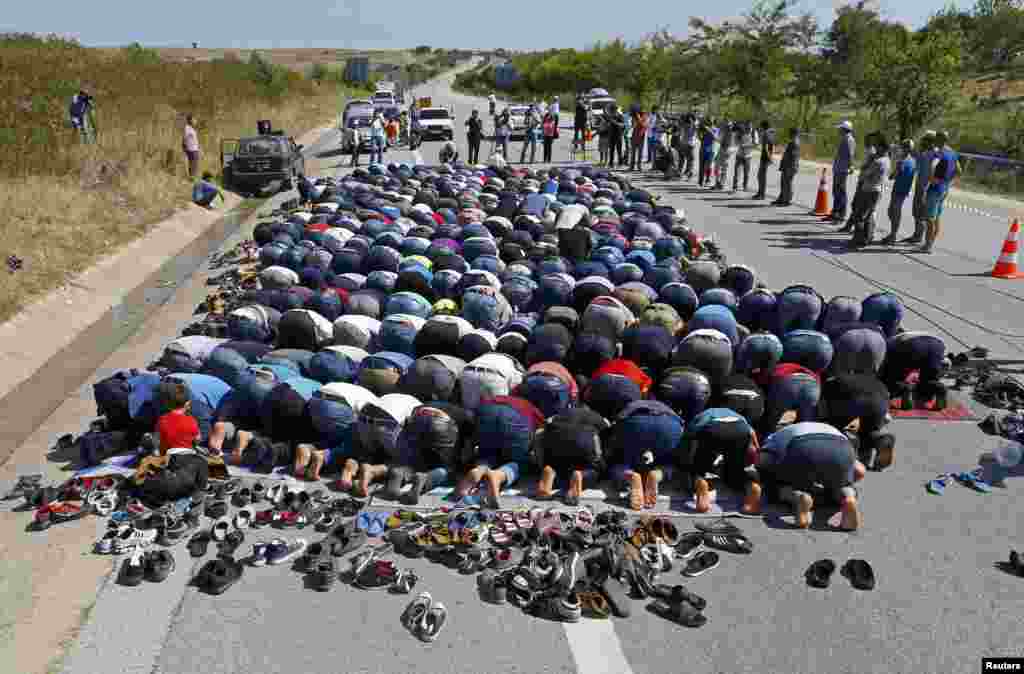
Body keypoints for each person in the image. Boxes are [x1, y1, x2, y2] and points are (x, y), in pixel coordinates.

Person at [755, 422, 867, 530]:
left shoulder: (774, 436)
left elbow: (763, 460)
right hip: (841, 448)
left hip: (803, 447)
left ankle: (797, 496)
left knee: (775, 485)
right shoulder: (832, 429)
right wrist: (841, 481)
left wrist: (764, 474)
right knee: (842, 486)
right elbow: (859, 470)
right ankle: (848, 498)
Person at [681, 407, 762, 514]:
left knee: (699, 468)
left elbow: (689, 434)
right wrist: (755, 452)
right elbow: (752, 434)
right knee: (734, 473)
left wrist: (690, 461)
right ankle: (750, 485)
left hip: (714, 429)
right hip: (740, 430)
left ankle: (702, 482)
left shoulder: (706, 413)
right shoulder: (736, 414)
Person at [820, 372, 896, 471]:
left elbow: (823, 409)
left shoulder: (829, 383)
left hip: (852, 401)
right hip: (878, 403)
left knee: (841, 428)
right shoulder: (872, 381)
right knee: (868, 429)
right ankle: (879, 439)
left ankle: (851, 449)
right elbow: (886, 417)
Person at [921, 131, 960, 254]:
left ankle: (927, 246)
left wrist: (932, 178)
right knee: (937, 217)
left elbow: (933, 164)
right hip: (944, 188)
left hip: (935, 188)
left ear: (939, 139)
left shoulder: (940, 153)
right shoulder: (953, 153)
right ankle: (931, 242)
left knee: (930, 218)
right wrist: (948, 182)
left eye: (935, 138)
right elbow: (959, 170)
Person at [849, 132, 891, 248]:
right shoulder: (887, 160)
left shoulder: (878, 162)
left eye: (877, 147)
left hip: (869, 189)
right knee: (868, 215)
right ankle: (867, 238)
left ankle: (858, 240)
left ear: (882, 148)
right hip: (877, 189)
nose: (875, 148)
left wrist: (864, 170)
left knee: (860, 216)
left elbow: (864, 174)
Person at [880, 139, 917, 245]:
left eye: (902, 147)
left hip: (898, 189)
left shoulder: (902, 161)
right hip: (905, 189)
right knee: (893, 211)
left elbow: (893, 176)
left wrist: (893, 172)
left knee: (894, 211)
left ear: (904, 148)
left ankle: (893, 235)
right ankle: (893, 233)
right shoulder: (913, 161)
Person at [906, 131, 937, 245]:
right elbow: (916, 157)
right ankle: (916, 234)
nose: (923, 141)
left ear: (931, 141)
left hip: (926, 187)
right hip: (920, 185)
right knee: (916, 211)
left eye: (926, 140)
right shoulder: (925, 152)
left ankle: (919, 236)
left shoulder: (934, 154)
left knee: (921, 213)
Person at [155, 381, 199, 455]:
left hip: (167, 455)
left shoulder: (162, 419)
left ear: (168, 404)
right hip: (188, 455)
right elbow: (197, 438)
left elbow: (157, 438)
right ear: (187, 403)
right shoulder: (192, 420)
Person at [827, 121, 856, 224]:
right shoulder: (844, 138)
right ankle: (835, 212)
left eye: (840, 129)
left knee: (841, 192)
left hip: (842, 169)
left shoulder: (849, 140)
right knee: (836, 191)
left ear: (844, 129)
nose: (839, 130)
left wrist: (851, 166)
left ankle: (841, 215)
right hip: (838, 168)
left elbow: (850, 155)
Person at [772, 127, 800, 206]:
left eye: (790, 133)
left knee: (788, 184)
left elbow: (793, 157)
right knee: (784, 183)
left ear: (794, 134)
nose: (789, 135)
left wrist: (790, 167)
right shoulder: (793, 142)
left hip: (790, 166)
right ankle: (781, 198)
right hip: (787, 166)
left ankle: (787, 200)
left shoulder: (795, 143)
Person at [753, 120, 775, 199]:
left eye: (761, 127)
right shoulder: (772, 133)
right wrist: (771, 156)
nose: (760, 128)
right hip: (767, 156)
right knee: (762, 176)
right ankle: (760, 193)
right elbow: (772, 146)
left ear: (763, 126)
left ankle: (761, 194)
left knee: (761, 176)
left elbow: (765, 147)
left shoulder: (766, 133)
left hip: (765, 157)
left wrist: (769, 157)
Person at [713, 122, 736, 190]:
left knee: (718, 167)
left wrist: (714, 136)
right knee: (724, 168)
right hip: (728, 150)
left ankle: (719, 183)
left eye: (728, 126)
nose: (727, 127)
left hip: (724, 150)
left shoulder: (728, 133)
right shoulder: (733, 133)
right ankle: (721, 183)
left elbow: (720, 141)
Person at [733, 122, 755, 191]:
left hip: (748, 156)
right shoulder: (740, 132)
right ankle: (735, 186)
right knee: (737, 172)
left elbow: (756, 144)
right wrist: (738, 138)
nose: (748, 128)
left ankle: (745, 186)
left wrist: (745, 146)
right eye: (747, 127)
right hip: (739, 155)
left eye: (749, 127)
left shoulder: (753, 133)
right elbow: (735, 142)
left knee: (746, 173)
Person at [698, 120, 718, 187]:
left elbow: (715, 138)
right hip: (703, 149)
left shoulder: (716, 129)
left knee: (709, 166)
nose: (710, 123)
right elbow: (700, 138)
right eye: (708, 121)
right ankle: (701, 181)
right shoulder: (704, 129)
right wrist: (699, 131)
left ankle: (708, 180)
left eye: (711, 121)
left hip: (711, 150)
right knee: (701, 166)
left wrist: (709, 130)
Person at [607, 103, 626, 167]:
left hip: (618, 135)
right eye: (610, 110)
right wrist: (608, 125)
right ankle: (611, 163)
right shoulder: (610, 117)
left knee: (619, 150)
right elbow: (608, 125)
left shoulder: (620, 116)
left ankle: (620, 162)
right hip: (611, 136)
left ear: (615, 110)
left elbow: (623, 125)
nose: (611, 111)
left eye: (612, 110)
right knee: (611, 150)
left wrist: (615, 123)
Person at [183, 114, 200, 179]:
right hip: (192, 149)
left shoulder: (191, 128)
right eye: (194, 120)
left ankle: (192, 177)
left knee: (193, 165)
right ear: (190, 120)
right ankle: (192, 178)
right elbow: (185, 138)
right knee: (193, 165)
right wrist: (185, 147)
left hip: (194, 149)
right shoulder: (187, 128)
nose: (195, 121)